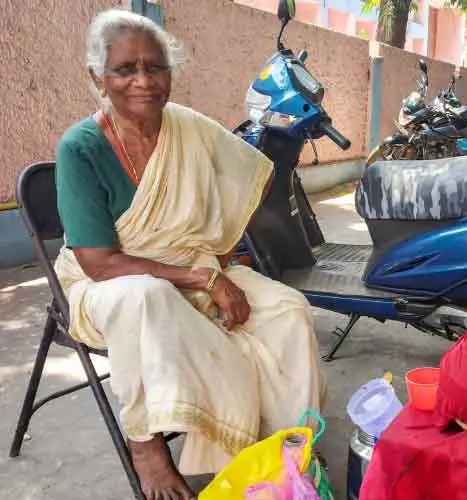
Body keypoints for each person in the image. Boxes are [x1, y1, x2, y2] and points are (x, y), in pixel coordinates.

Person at [53, 9, 325, 500]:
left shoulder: (187, 128)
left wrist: (220, 257)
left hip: (190, 262)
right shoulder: (81, 147)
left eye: (155, 67)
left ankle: (287, 448)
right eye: (125, 69)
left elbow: (241, 178)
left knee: (288, 310)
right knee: (147, 298)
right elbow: (98, 262)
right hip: (112, 287)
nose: (143, 81)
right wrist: (203, 278)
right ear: (98, 77)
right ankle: (147, 444)